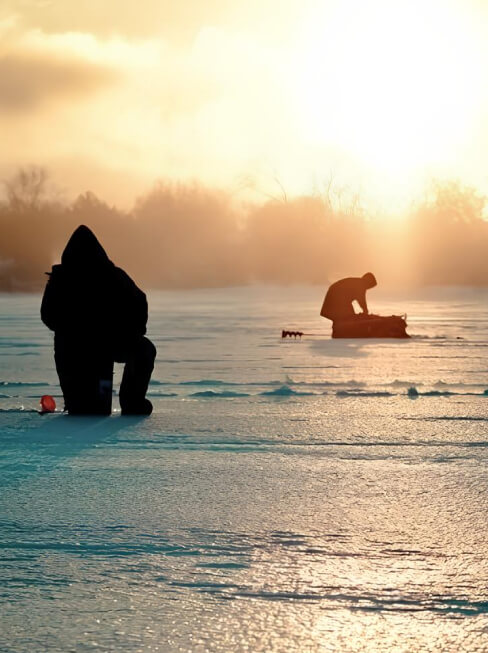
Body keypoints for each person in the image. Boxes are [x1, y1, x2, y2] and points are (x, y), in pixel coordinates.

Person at [41, 225, 156, 415]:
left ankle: (132, 402)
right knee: (89, 411)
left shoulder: (107, 276)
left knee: (143, 349)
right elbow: (49, 316)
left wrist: (126, 332)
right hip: (74, 352)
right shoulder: (65, 280)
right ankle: (103, 401)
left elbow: (138, 303)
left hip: (103, 347)